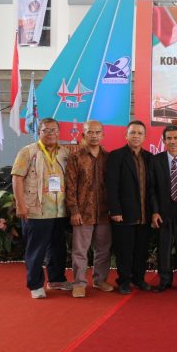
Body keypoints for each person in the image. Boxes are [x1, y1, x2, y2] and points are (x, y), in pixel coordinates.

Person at [12, 117, 71, 299]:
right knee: (36, 249)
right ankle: (35, 285)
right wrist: (21, 204)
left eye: (54, 130)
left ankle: (56, 279)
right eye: (46, 130)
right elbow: (17, 178)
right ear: (39, 132)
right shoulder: (28, 151)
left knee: (58, 247)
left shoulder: (65, 152)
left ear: (59, 132)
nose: (51, 133)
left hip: (59, 210)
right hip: (35, 210)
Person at [65, 120, 114, 298]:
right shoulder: (75, 158)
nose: (94, 135)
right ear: (83, 134)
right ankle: (79, 283)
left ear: (103, 135)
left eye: (97, 132)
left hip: (104, 213)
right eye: (90, 132)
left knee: (103, 249)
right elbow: (70, 187)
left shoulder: (109, 158)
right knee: (80, 250)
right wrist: (74, 210)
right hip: (82, 213)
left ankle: (100, 280)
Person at [106, 120, 153, 295]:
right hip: (123, 214)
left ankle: (139, 279)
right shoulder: (116, 156)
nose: (136, 136)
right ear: (126, 135)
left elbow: (152, 188)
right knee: (124, 250)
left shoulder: (149, 158)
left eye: (140, 133)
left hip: (144, 214)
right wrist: (115, 210)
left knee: (141, 249)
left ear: (145, 137)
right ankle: (124, 281)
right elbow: (111, 185)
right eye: (133, 132)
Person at [150, 125, 177, 293]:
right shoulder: (155, 161)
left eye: (176, 138)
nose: (172, 141)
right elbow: (152, 189)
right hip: (163, 211)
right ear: (163, 141)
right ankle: (165, 281)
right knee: (164, 247)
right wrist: (154, 211)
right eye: (169, 138)